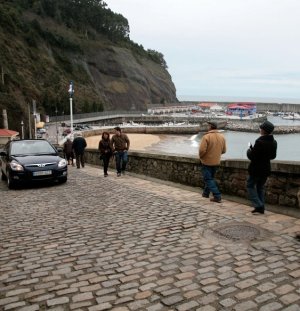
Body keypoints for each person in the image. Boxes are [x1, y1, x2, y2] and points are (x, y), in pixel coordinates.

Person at [247, 120, 277, 215]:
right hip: (265, 169)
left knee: (250, 185)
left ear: (264, 130)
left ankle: (258, 205)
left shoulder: (259, 141)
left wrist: (249, 150)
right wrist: (253, 149)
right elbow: (272, 156)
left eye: (261, 128)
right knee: (260, 187)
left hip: (256, 169)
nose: (260, 129)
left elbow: (252, 156)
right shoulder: (274, 142)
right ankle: (261, 208)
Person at [199, 121, 226, 203]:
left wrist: (201, 157)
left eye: (208, 126)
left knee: (208, 179)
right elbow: (224, 150)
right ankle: (206, 193)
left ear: (210, 127)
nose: (207, 127)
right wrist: (216, 154)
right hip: (216, 161)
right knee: (210, 178)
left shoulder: (206, 137)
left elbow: (202, 150)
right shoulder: (222, 137)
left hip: (207, 162)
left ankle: (217, 196)